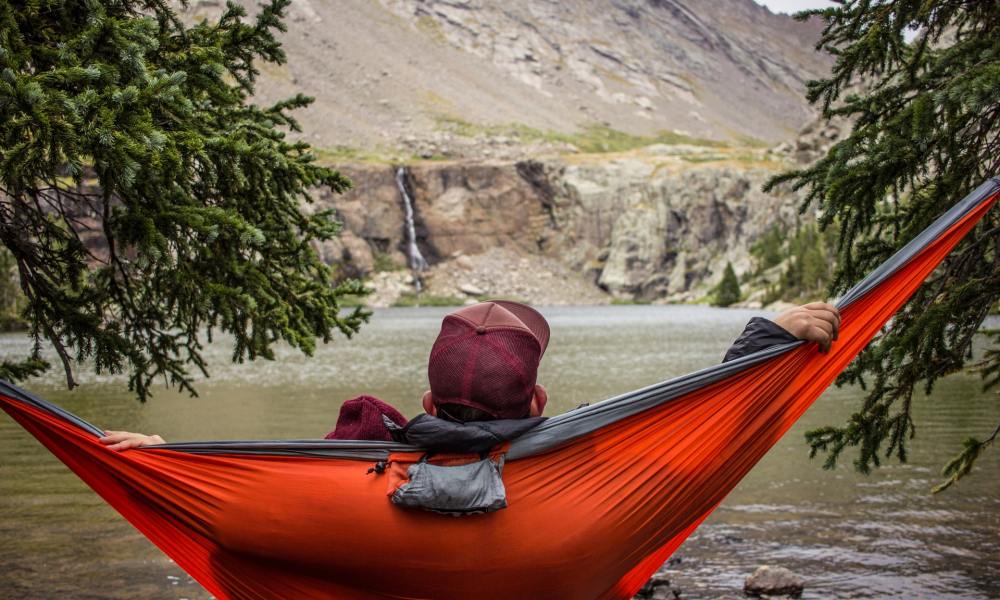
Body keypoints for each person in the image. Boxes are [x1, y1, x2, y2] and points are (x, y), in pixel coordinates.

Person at [100, 300, 840, 451]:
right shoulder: (581, 456)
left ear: (425, 400)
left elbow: (257, 484)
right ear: (537, 396)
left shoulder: (365, 458)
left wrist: (163, 457)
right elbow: (701, 426)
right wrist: (765, 337)